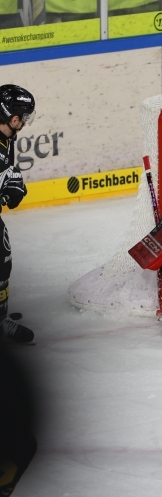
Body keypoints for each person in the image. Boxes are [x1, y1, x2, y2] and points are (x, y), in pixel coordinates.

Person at [0, 84, 35, 345]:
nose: (23, 124)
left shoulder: (6, 138)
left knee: (3, 258)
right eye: (22, 118)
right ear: (13, 118)